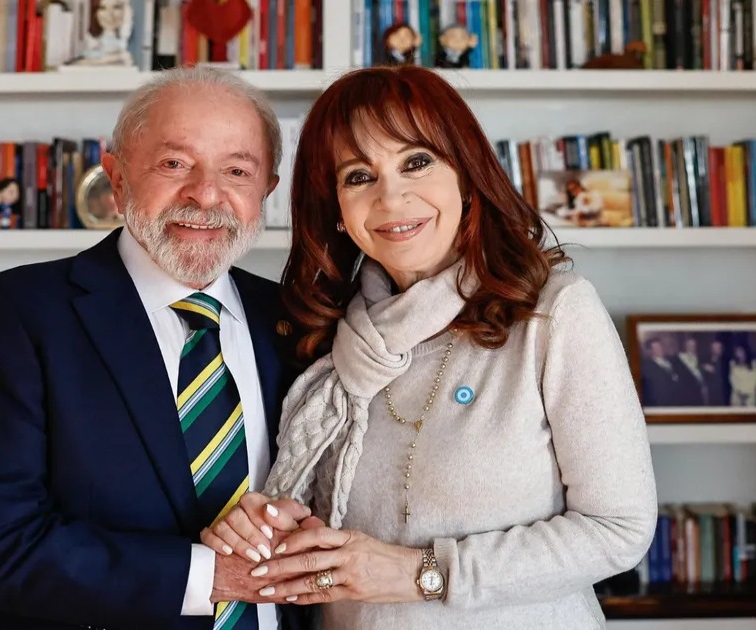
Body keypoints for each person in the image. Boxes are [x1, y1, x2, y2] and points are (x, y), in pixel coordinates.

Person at [201, 65, 658, 628]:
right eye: (358, 176)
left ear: (466, 176)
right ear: (337, 211)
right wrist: (270, 530)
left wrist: (422, 573)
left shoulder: (554, 314)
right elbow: (332, 541)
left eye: (416, 162)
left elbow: (618, 529)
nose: (391, 197)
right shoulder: (327, 340)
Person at [0, 67, 317, 630]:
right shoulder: (13, 314)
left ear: (267, 193)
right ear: (117, 179)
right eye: (174, 164)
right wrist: (212, 577)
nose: (206, 194)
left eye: (237, 171)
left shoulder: (297, 321)